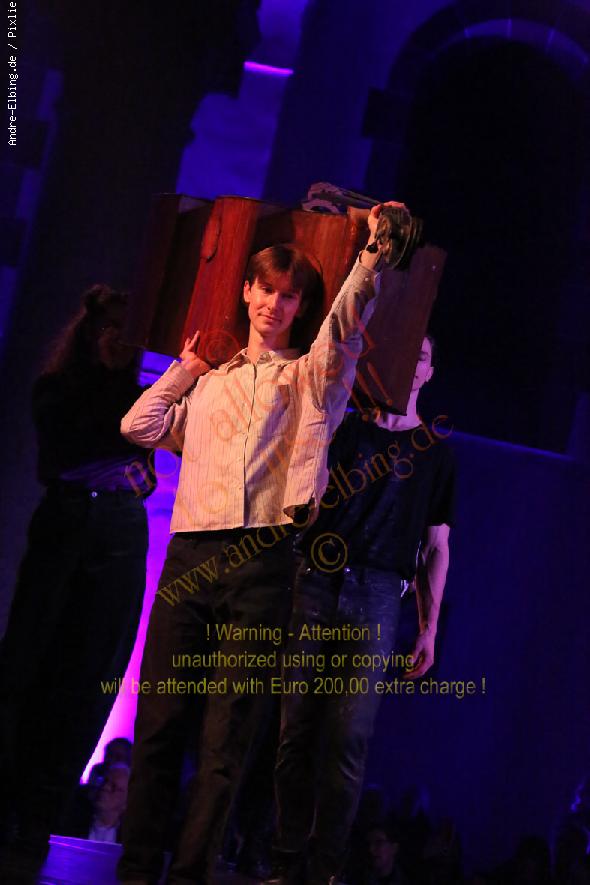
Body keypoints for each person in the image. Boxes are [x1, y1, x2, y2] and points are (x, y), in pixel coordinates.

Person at [117, 202, 402, 885]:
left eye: (288, 295)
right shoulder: (210, 387)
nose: (275, 304)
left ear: (300, 306)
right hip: (190, 558)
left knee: (227, 735)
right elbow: (138, 425)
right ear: (247, 291)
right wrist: (186, 367)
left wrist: (370, 258)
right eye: (266, 289)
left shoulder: (306, 378)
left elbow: (343, 330)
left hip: (263, 561)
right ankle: (136, 868)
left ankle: (189, 872)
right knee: (158, 723)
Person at [270, 334, 455, 885]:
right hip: (318, 582)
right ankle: (284, 860)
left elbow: (437, 545)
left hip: (378, 593)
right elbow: (303, 498)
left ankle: (324, 869)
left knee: (348, 737)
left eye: (423, 356)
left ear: (430, 371)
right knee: (295, 729)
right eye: (407, 351)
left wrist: (429, 627)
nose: (413, 363)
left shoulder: (436, 453)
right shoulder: (347, 428)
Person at [0, 285, 151, 883]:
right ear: (87, 332)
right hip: (67, 523)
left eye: (125, 332)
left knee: (92, 675)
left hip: (118, 530)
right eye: (106, 329)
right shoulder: (57, 388)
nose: (116, 340)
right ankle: (9, 804)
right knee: (28, 663)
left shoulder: (137, 396)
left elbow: (140, 467)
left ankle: (38, 815)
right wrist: (115, 458)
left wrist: (118, 460)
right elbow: (71, 451)